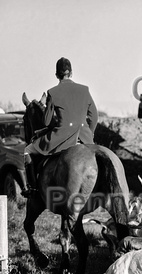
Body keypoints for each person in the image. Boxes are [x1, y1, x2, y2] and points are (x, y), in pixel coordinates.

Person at [21, 57, 98, 197]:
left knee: (27, 150)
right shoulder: (84, 90)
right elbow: (94, 117)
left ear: (56, 75)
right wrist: (88, 134)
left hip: (62, 137)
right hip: (84, 137)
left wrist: (50, 127)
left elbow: (46, 121)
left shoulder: (53, 92)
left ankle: (33, 188)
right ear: (72, 73)